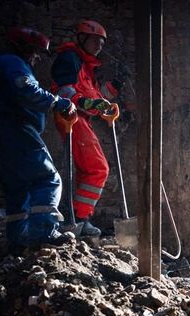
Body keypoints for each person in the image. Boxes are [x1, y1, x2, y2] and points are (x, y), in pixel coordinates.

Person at [0, 27, 77, 252]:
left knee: (18, 187)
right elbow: (26, 89)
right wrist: (58, 102)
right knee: (47, 179)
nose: (37, 58)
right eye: (35, 52)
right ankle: (44, 232)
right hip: (17, 129)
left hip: (0, 132)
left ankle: (17, 240)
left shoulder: (1, 64)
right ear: (23, 48)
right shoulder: (13, 63)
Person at [50, 20, 120, 237]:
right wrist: (87, 103)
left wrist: (111, 93)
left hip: (82, 118)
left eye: (102, 43)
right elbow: (64, 91)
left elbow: (94, 97)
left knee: (87, 170)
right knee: (99, 168)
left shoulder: (85, 66)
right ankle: (80, 218)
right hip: (71, 116)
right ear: (82, 39)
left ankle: (79, 218)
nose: (99, 46)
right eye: (95, 40)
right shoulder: (70, 58)